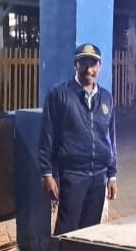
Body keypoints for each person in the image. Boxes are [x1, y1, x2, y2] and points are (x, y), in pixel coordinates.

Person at [39, 43, 118, 236]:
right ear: (76, 65)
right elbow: (47, 135)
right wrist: (47, 173)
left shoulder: (106, 98)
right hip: (72, 176)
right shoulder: (59, 94)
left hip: (98, 177)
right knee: (66, 232)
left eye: (93, 64)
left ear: (100, 66)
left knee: (90, 232)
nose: (89, 69)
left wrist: (112, 175)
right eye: (84, 63)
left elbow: (110, 138)